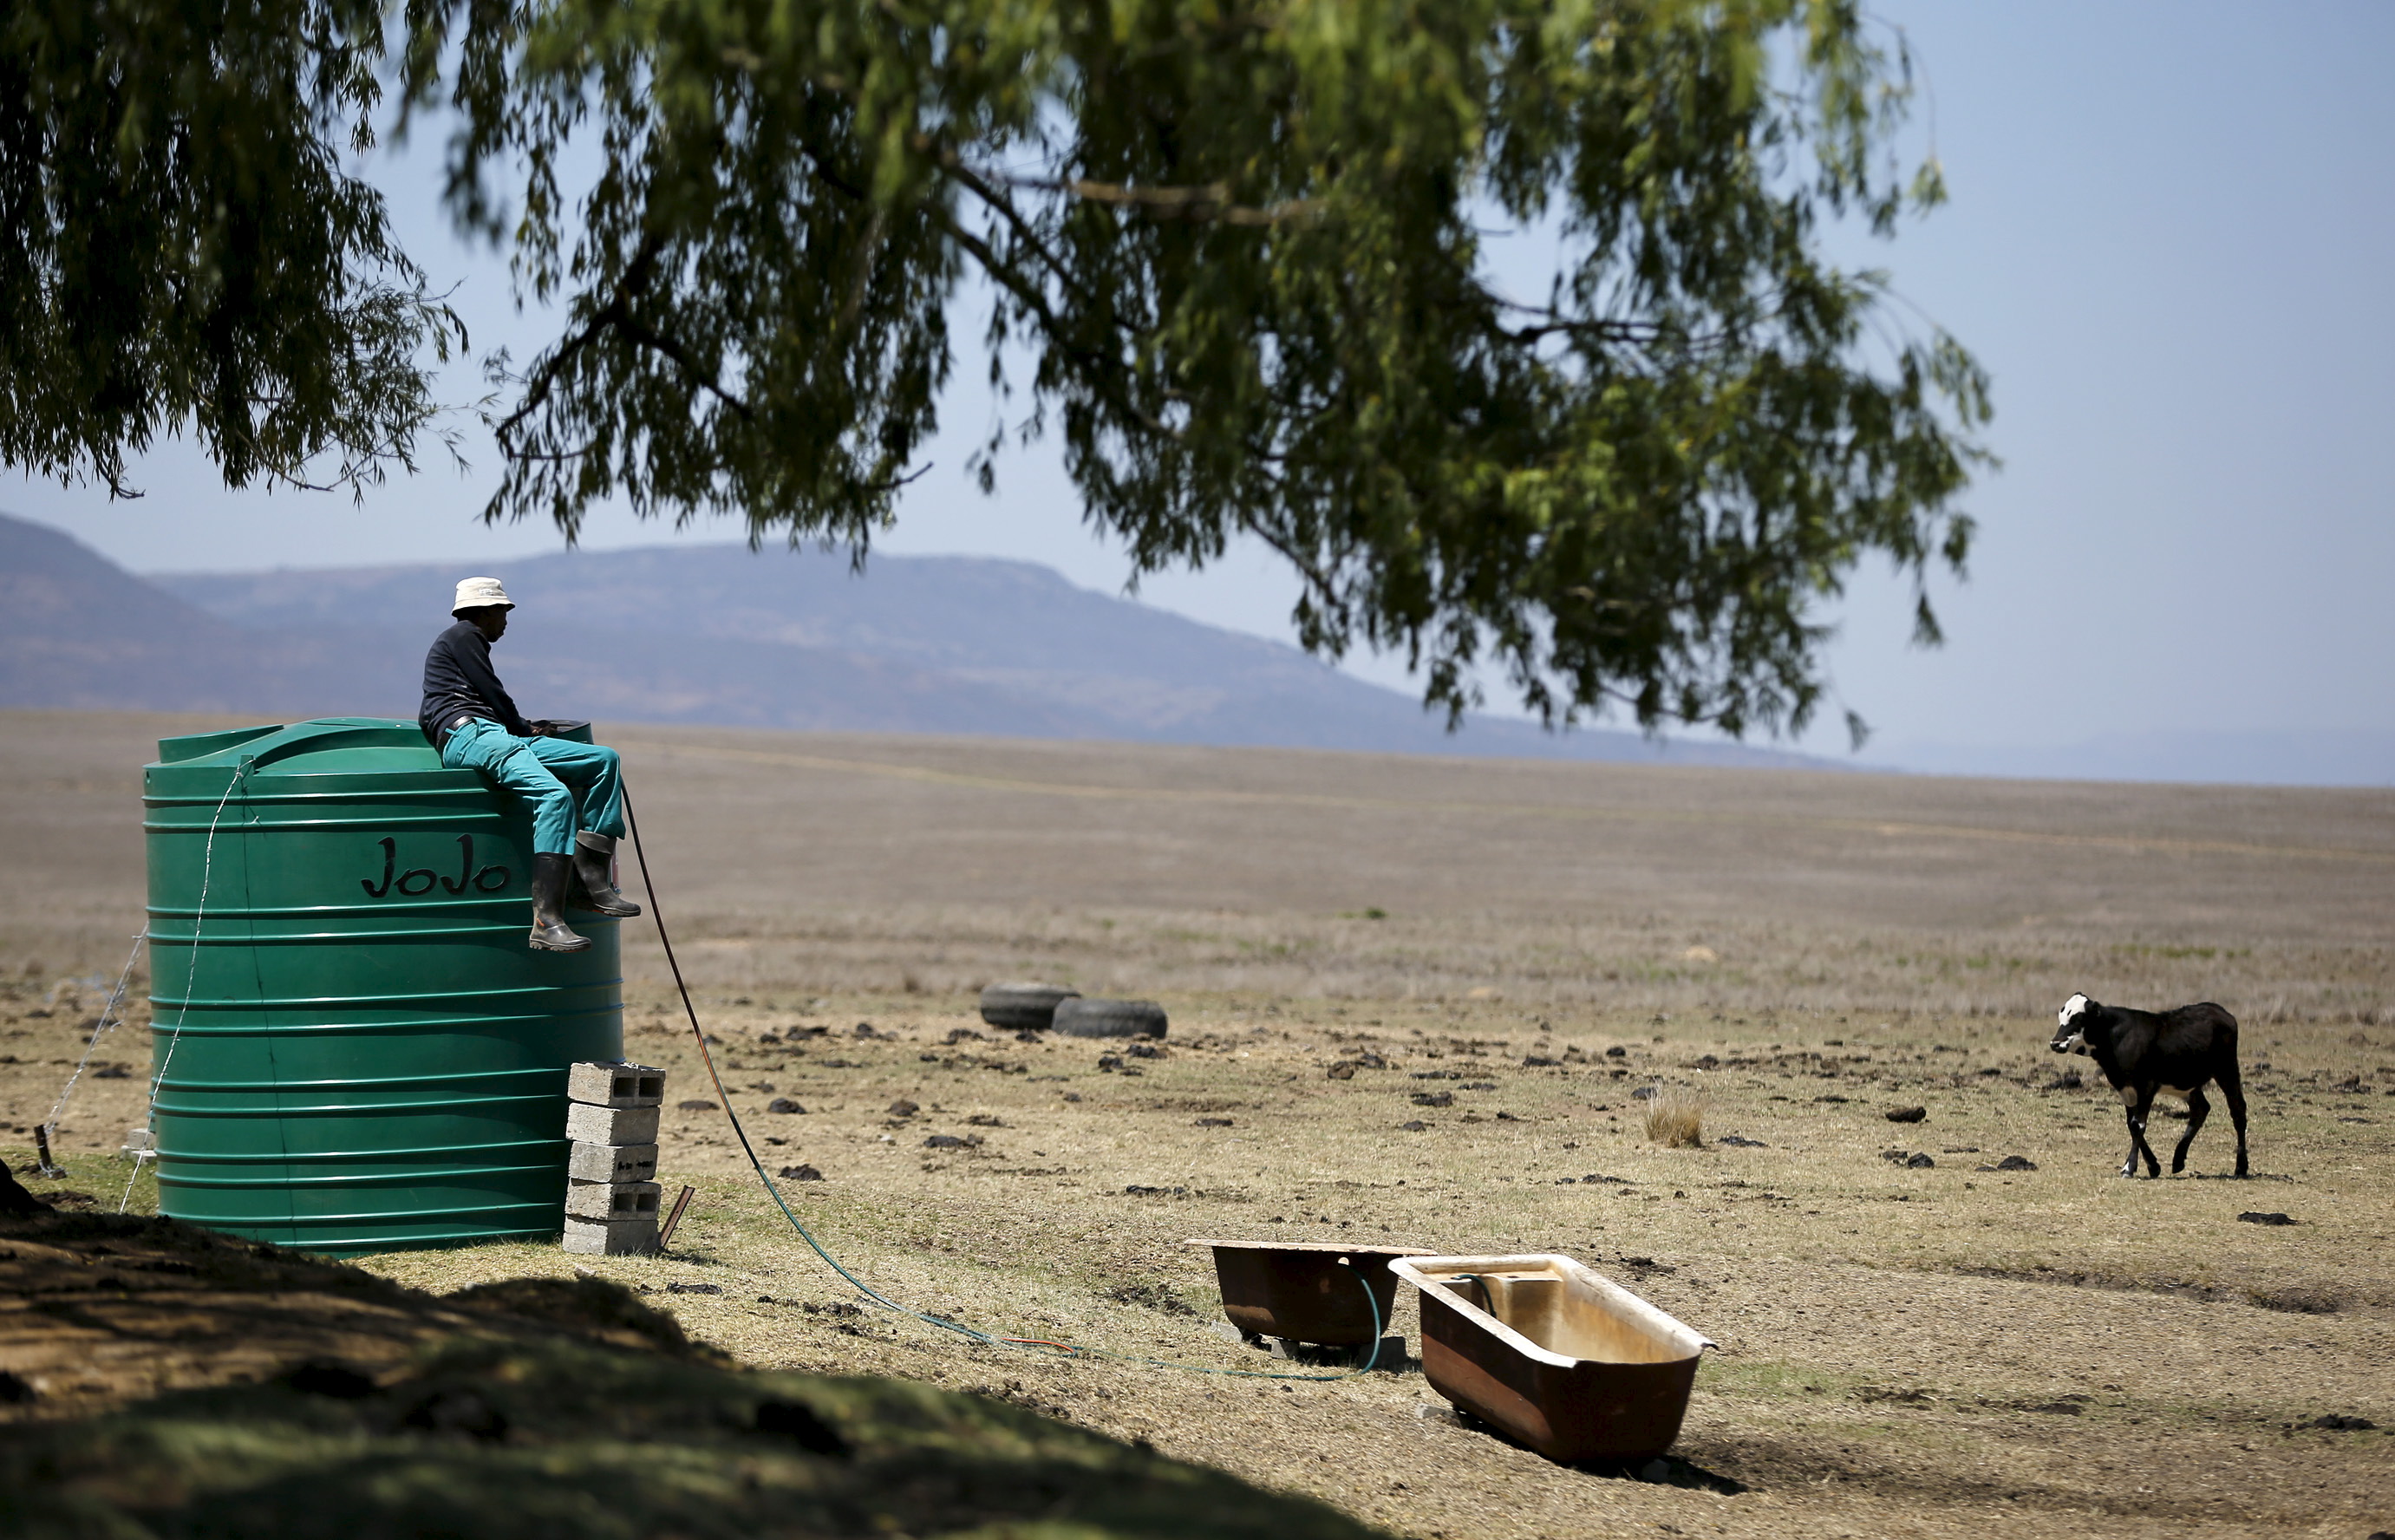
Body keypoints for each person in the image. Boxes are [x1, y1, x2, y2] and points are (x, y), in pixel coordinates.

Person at [419, 576, 640, 951]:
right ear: (485, 611)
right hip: (470, 734)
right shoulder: (464, 636)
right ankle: (547, 919)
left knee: (604, 760)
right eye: (502, 613)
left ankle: (591, 881)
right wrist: (522, 728)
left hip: (492, 734)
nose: (505, 621)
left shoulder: (463, 642)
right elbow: (491, 690)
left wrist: (524, 731)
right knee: (554, 798)